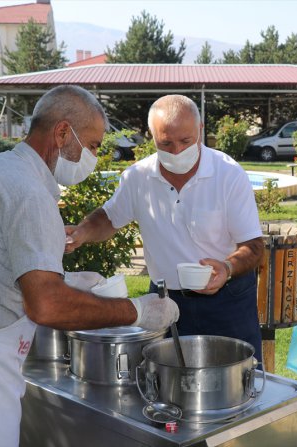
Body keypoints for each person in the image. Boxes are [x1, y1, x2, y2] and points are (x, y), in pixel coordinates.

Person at [0, 85, 178, 447]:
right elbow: (46, 306)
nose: (93, 156)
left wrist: (67, 280)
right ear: (61, 133)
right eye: (92, 145)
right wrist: (136, 311)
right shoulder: (29, 192)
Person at [65, 94, 264, 362]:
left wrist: (226, 268)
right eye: (166, 143)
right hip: (164, 301)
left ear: (201, 130)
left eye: (186, 141)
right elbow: (108, 218)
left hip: (227, 300)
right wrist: (81, 232)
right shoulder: (138, 177)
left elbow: (253, 247)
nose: (177, 152)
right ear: (152, 138)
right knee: (166, 383)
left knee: (236, 379)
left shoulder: (228, 174)